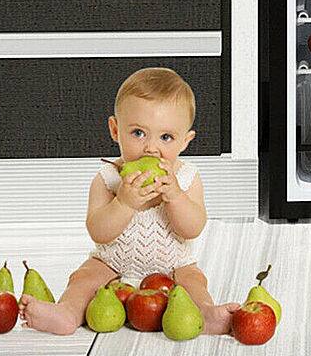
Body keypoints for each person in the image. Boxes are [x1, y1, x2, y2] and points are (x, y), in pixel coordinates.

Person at [19, 67, 240, 335]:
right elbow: (99, 233)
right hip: (111, 263)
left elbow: (192, 228)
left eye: (166, 137)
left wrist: (176, 197)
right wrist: (123, 203)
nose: (151, 148)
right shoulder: (108, 179)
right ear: (115, 130)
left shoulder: (186, 178)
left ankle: (205, 315)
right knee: (84, 278)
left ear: (185, 141)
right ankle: (67, 312)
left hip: (173, 266)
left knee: (194, 281)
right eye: (138, 133)